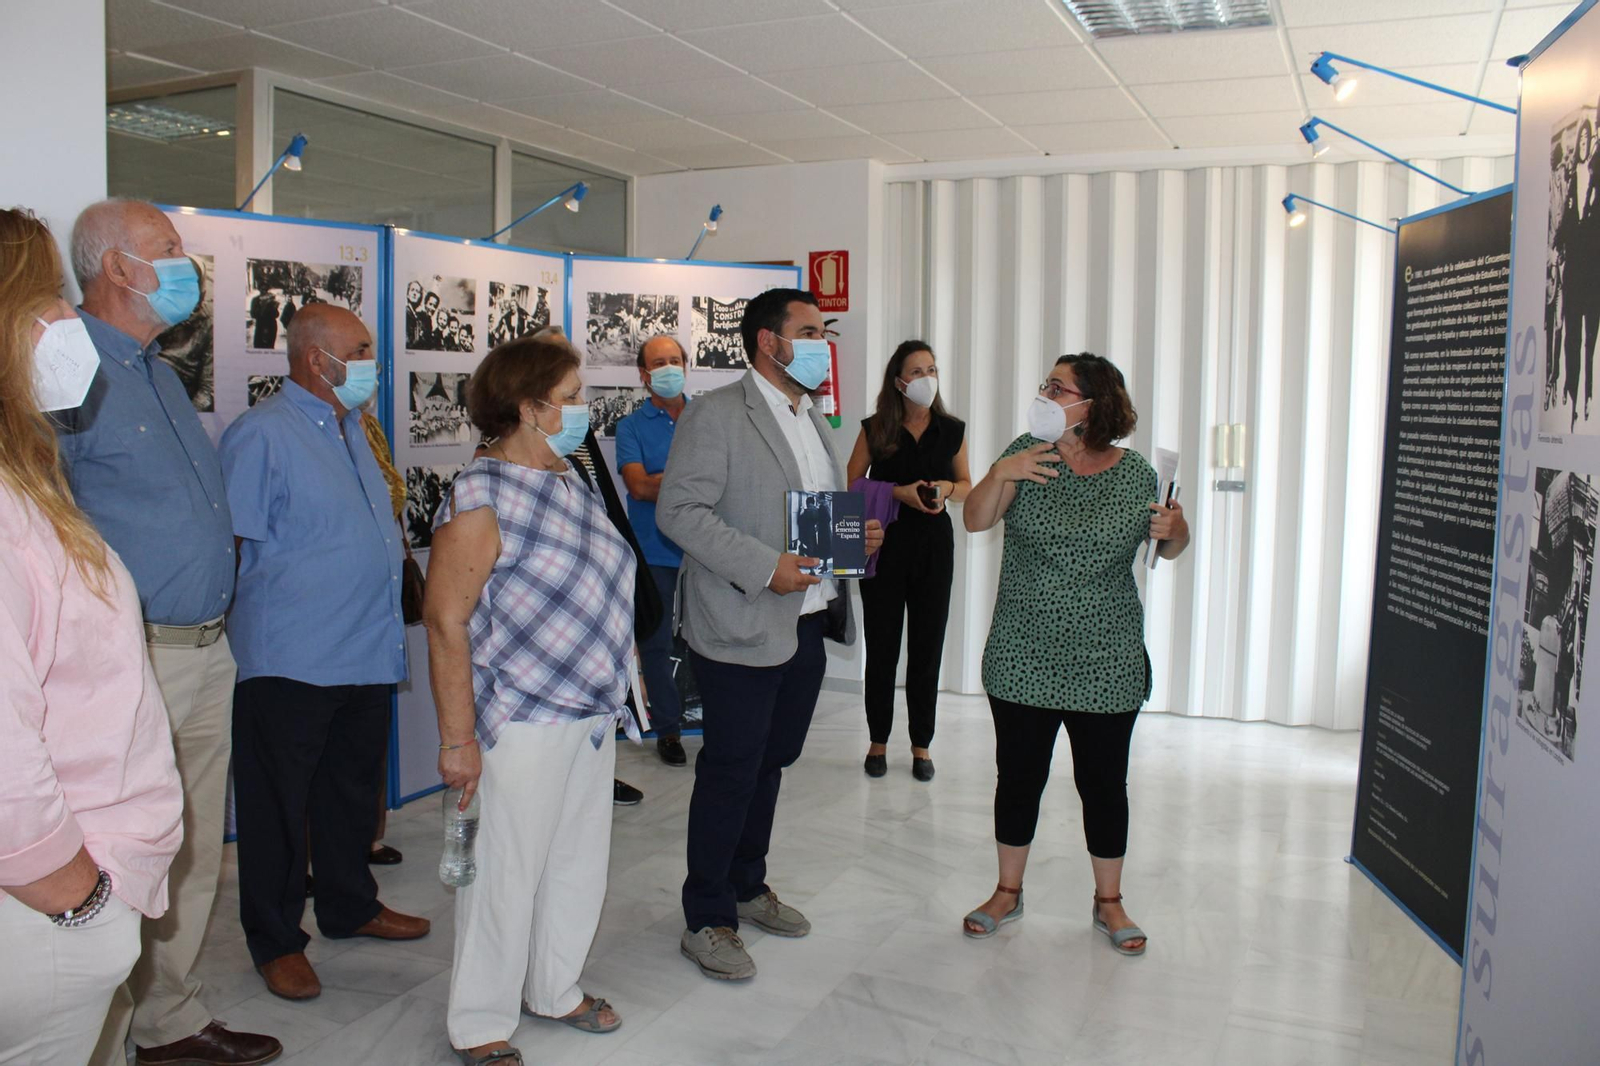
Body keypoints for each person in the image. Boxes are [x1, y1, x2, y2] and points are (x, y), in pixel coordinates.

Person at [57, 198, 280, 1066]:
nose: (185, 263)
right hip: (129, 656)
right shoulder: (68, 372)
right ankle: (101, 1041)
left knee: (185, 843)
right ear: (117, 268)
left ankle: (169, 1021)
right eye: (169, 249)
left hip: (203, 647)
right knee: (118, 849)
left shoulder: (154, 368)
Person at [0, 208, 185, 1066]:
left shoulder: (21, 482)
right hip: (41, 912)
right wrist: (79, 903)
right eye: (48, 298)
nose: (65, 319)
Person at [658, 288, 883, 980]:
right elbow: (680, 512)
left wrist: (853, 537)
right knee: (730, 768)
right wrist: (764, 568)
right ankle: (708, 915)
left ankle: (748, 884)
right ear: (768, 341)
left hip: (805, 622)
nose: (822, 344)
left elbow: (802, 513)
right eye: (810, 332)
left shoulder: (809, 415)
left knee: (771, 761)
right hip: (739, 622)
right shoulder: (718, 414)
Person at [427, 335, 634, 1066]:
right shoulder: (480, 492)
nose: (586, 410)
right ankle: (480, 1021)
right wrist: (458, 740)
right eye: (573, 397)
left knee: (577, 861)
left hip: (590, 709)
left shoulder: (567, 474)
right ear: (529, 407)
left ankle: (554, 986)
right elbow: (446, 619)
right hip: (521, 715)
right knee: (505, 874)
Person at [219, 304, 429, 1002]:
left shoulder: (356, 431)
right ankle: (276, 940)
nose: (372, 360)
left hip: (365, 651)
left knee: (348, 794)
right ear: (317, 360)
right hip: (291, 660)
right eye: (361, 349)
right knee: (278, 809)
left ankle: (350, 905)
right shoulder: (261, 437)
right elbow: (237, 549)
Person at [958, 353, 1188, 956]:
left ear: (1093, 405)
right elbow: (975, 520)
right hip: (1022, 652)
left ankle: (1108, 902)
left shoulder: (1137, 472)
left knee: (1104, 784)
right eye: (1045, 383)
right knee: (1019, 779)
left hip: (1106, 659)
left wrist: (1177, 529)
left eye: (1057, 388)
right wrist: (1001, 471)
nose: (1044, 394)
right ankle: (1007, 892)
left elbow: (1168, 545)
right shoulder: (1026, 455)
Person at [845, 341, 971, 782]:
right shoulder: (876, 427)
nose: (926, 378)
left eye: (932, 369)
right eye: (916, 371)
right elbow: (852, 481)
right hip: (882, 545)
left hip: (934, 548)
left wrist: (944, 489)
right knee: (882, 648)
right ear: (899, 381)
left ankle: (922, 746)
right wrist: (898, 493)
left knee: (927, 649)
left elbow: (967, 484)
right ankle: (878, 741)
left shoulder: (951, 429)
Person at [615, 333, 692, 767]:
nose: (668, 369)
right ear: (644, 375)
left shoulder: (708, 417)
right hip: (653, 551)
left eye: (674, 360)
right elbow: (639, 486)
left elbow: (725, 482)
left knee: (712, 641)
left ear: (687, 365)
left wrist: (665, 478)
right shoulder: (630, 427)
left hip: (706, 551)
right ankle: (668, 729)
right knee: (656, 644)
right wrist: (691, 479)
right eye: (658, 363)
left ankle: (719, 722)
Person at [360, 401, 406, 866]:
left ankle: (362, 845)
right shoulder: (268, 432)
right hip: (317, 620)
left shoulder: (367, 428)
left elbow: (390, 495)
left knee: (365, 742)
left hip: (377, 609)